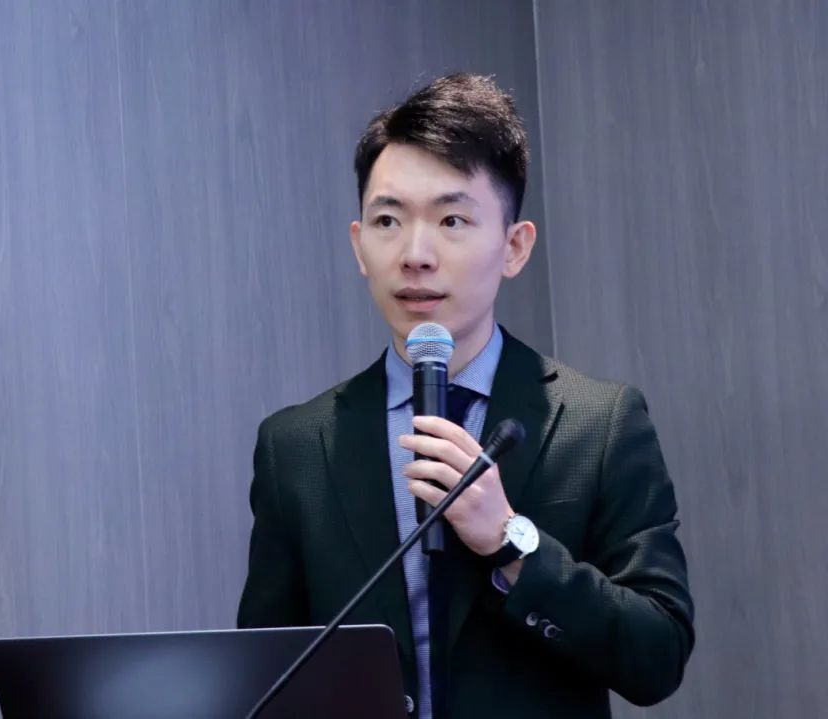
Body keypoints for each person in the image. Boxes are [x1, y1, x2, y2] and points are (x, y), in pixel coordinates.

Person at [237, 73, 694, 719]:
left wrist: (510, 540)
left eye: (452, 219)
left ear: (514, 246)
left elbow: (657, 655)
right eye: (388, 220)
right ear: (359, 246)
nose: (415, 254)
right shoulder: (295, 447)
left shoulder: (600, 423)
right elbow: (267, 677)